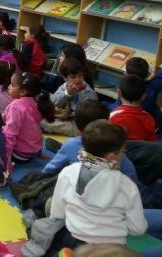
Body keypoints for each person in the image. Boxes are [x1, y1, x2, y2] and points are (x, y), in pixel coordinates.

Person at [46, 120, 147, 254]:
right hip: (111, 249)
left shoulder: (68, 172)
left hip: (73, 241)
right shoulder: (126, 185)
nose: (125, 152)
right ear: (112, 156)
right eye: (123, 150)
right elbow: (138, 229)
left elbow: (57, 213)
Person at [3, 72, 55, 170]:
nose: (9, 87)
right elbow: (35, 129)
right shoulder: (35, 102)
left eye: (13, 85)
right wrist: (38, 150)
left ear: (23, 92)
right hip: (31, 152)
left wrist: (7, 161)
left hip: (18, 155)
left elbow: (10, 135)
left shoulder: (16, 106)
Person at [42, 58, 98, 136]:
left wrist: (66, 115)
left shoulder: (88, 93)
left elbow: (86, 118)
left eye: (80, 75)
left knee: (44, 123)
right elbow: (53, 101)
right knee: (41, 116)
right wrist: (67, 93)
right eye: (73, 77)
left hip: (80, 126)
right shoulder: (66, 86)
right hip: (68, 117)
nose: (78, 79)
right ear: (65, 78)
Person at [110, 74, 156, 141]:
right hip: (142, 150)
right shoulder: (149, 118)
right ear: (144, 96)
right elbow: (151, 142)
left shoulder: (113, 116)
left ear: (119, 93)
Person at [126, 56, 162, 134]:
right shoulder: (154, 85)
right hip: (153, 123)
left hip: (131, 126)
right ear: (148, 73)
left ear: (126, 74)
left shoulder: (124, 88)